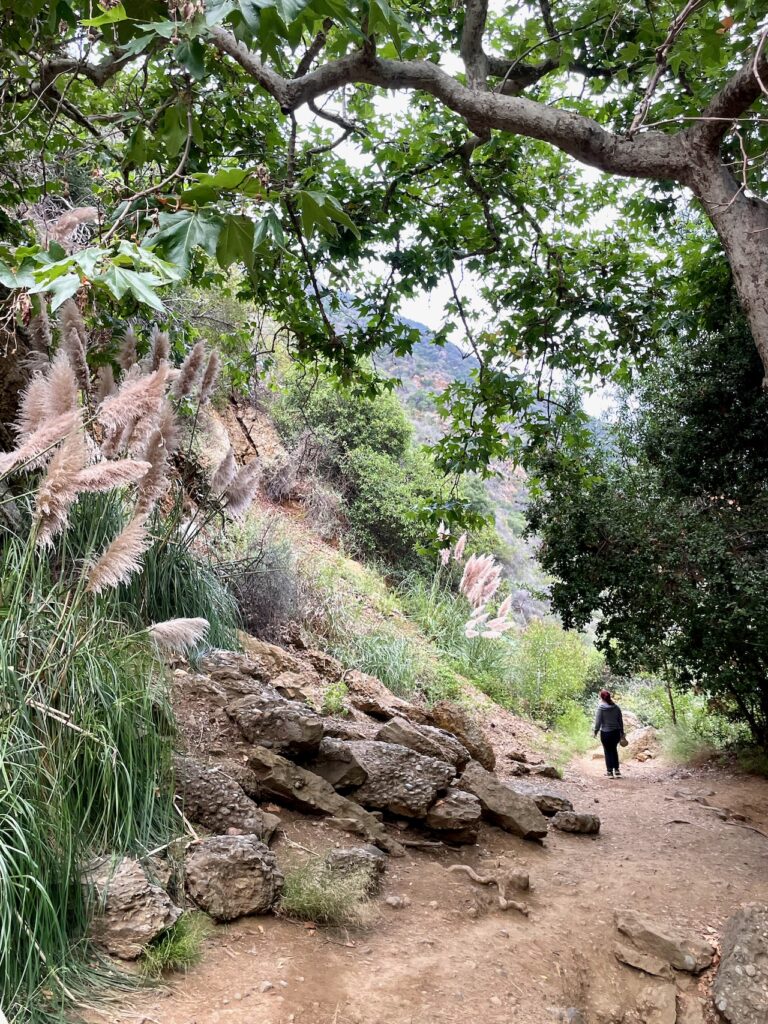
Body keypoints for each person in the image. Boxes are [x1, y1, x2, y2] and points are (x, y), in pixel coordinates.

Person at [593, 689, 625, 778]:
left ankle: (610, 771)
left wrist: (595, 731)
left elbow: (598, 722)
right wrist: (622, 732)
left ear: (601, 697)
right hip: (616, 733)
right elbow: (620, 721)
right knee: (614, 750)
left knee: (607, 751)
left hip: (606, 733)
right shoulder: (616, 707)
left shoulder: (601, 708)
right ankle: (617, 770)